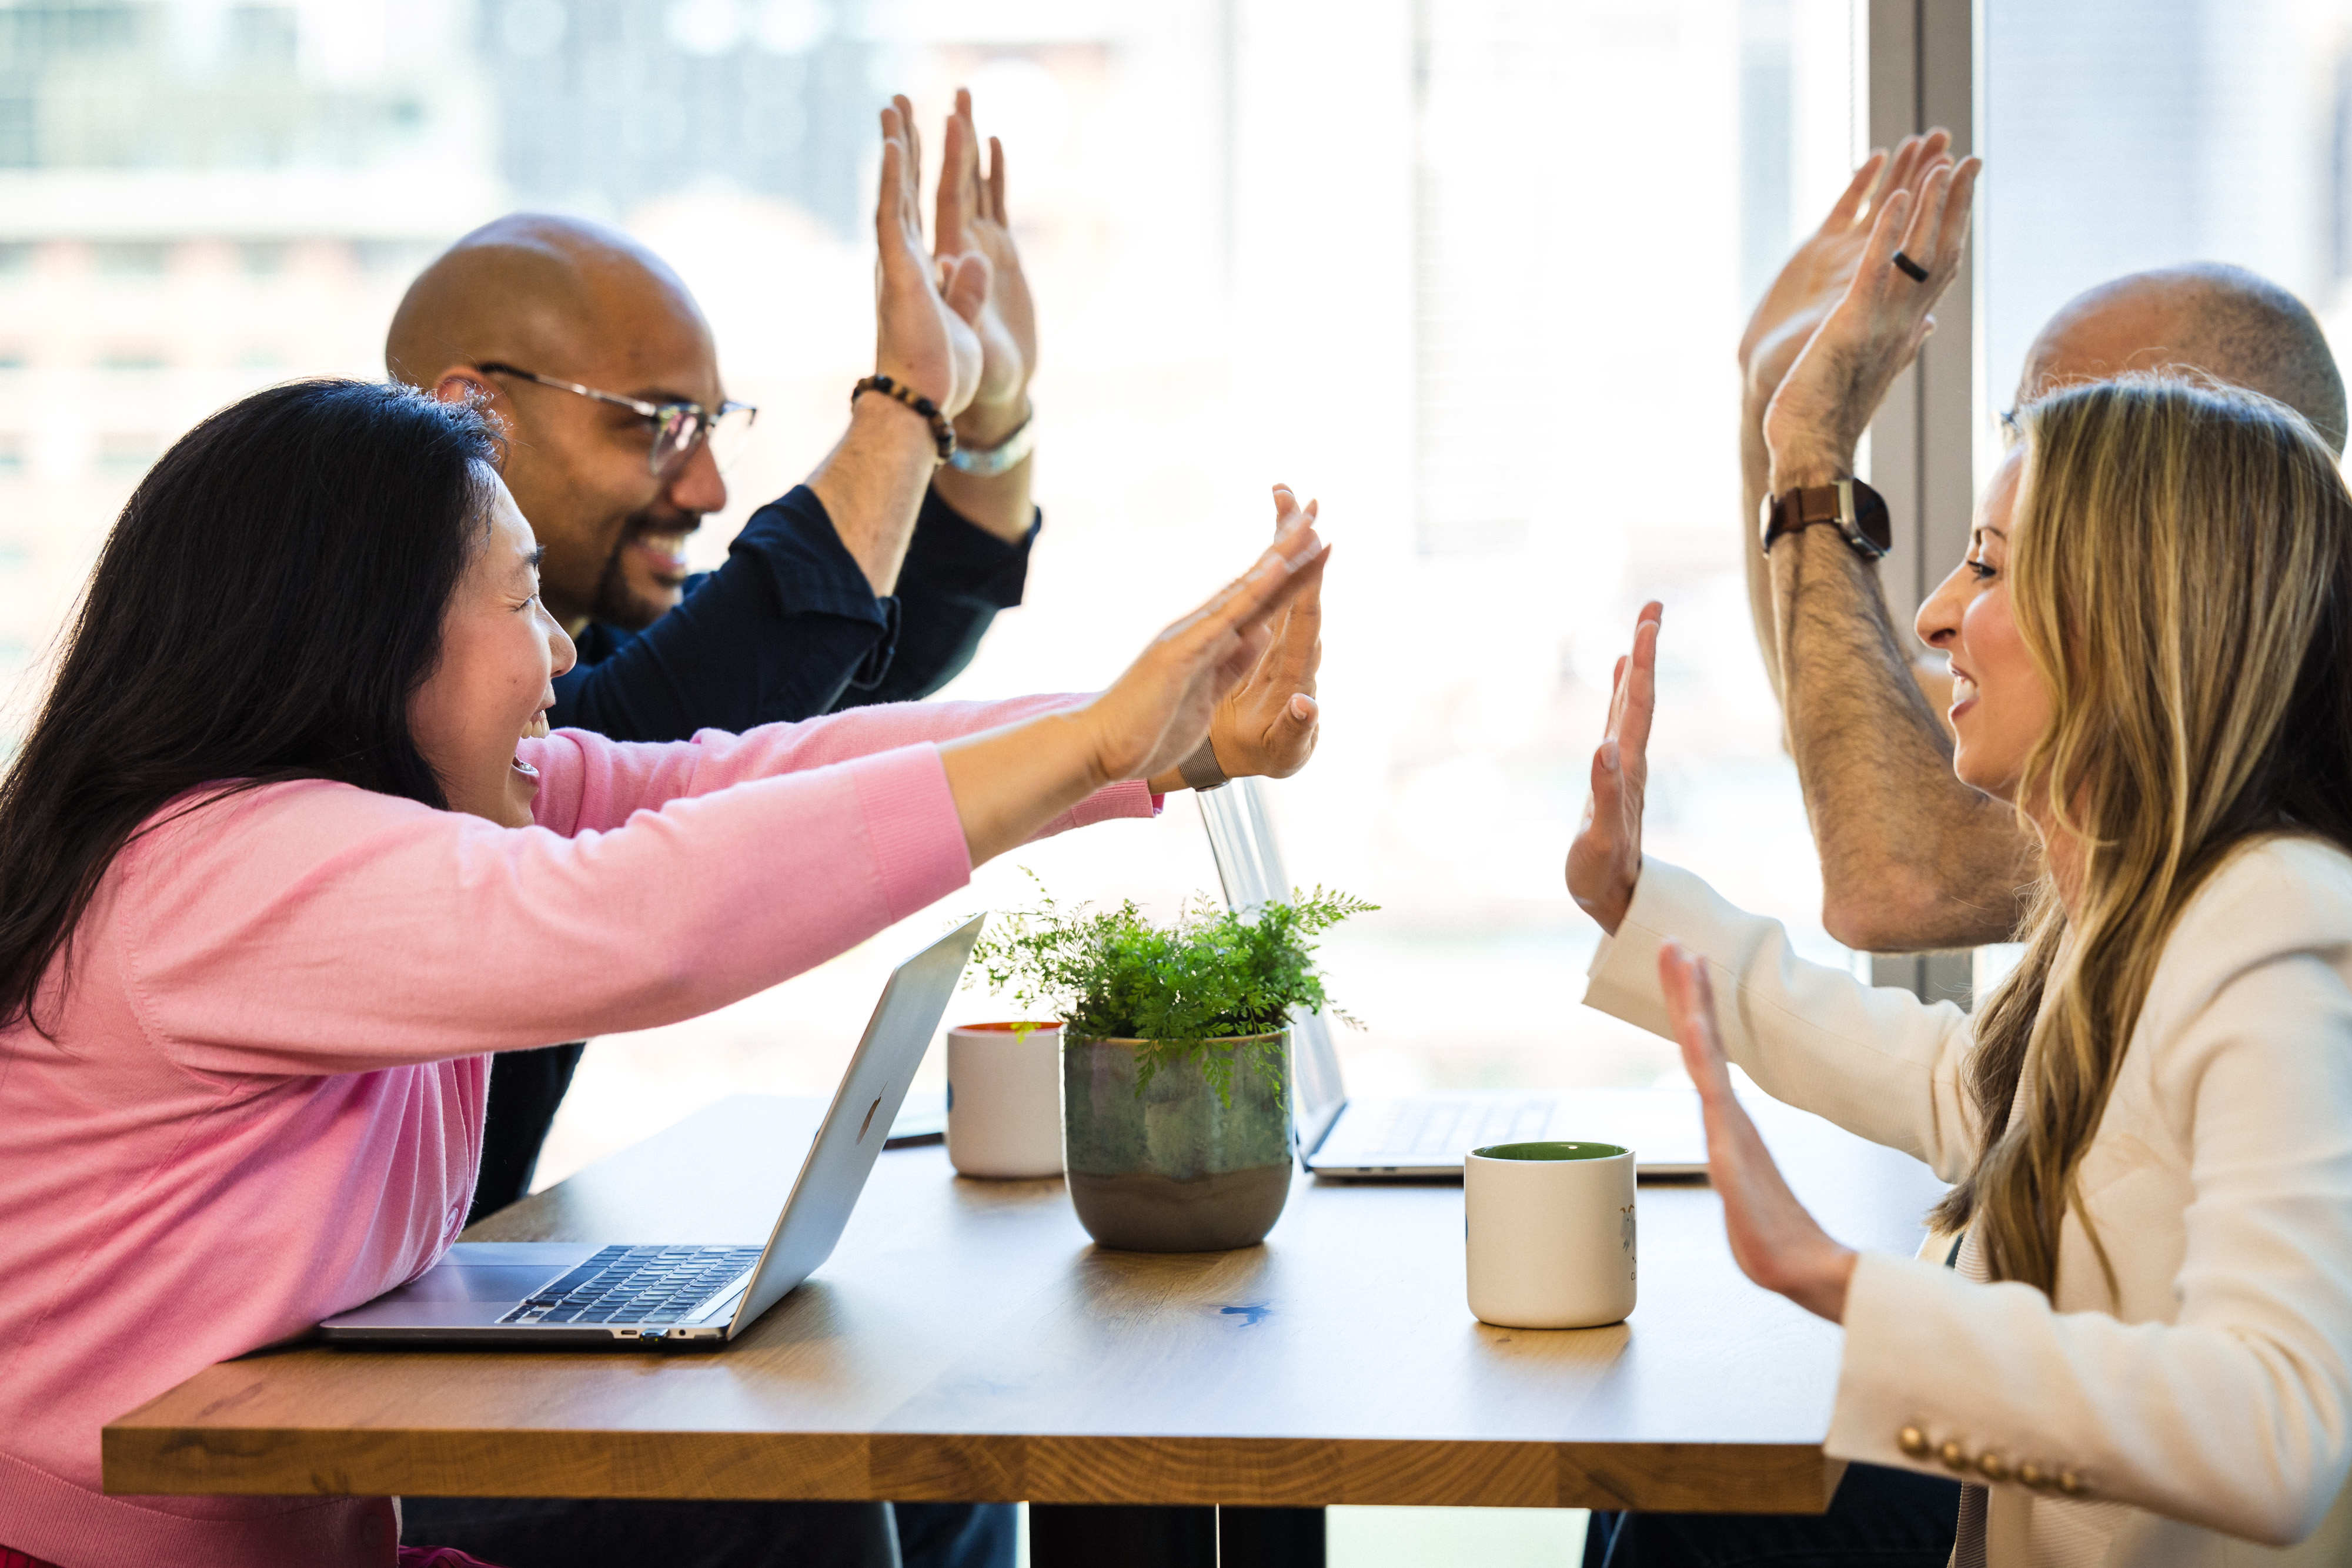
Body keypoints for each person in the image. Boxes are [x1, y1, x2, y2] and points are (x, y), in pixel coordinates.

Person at [0, 377, 1328, 1568]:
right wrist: (1095, 745)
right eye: (519, 602)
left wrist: (1152, 745)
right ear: (364, 638)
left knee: (912, 1478)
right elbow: (652, 911)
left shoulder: (418, 819)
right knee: (802, 1489)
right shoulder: (221, 868)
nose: (562, 655)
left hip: (306, 1533)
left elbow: (723, 778)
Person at [1571, 371, 2352, 1564]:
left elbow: (2277, 1430)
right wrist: (1641, 907)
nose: (1935, 616)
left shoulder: (2273, 942)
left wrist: (1839, 1278)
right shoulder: (2163, 910)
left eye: (1986, 566)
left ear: (2132, 616)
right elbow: (1977, 1089)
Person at [386, 93, 1048, 1241]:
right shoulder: (395, 706)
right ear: (472, 414)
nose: (703, 488)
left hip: (435, 1300)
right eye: (653, 425)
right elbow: (746, 663)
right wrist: (906, 399)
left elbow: (890, 635)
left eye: (708, 427)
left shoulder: (580, 652)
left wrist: (990, 416)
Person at [1740, 133, 2350, 953]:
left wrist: (1809, 440)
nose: (2029, 465)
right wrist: (1769, 413)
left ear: (2219, 457)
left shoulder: (2268, 727)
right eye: (2021, 428)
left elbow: (1895, 872)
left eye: (2070, 430)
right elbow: (1852, 731)